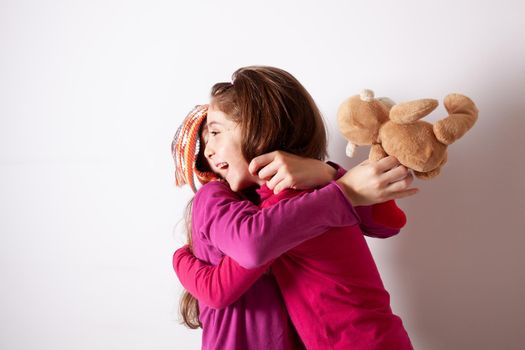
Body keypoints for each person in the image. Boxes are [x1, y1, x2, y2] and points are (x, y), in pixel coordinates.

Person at [172, 66, 417, 349]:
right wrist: (338, 184)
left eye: (215, 132)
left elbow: (387, 223)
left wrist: (335, 182)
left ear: (259, 128)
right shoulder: (287, 207)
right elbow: (386, 222)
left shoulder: (286, 207)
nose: (208, 150)